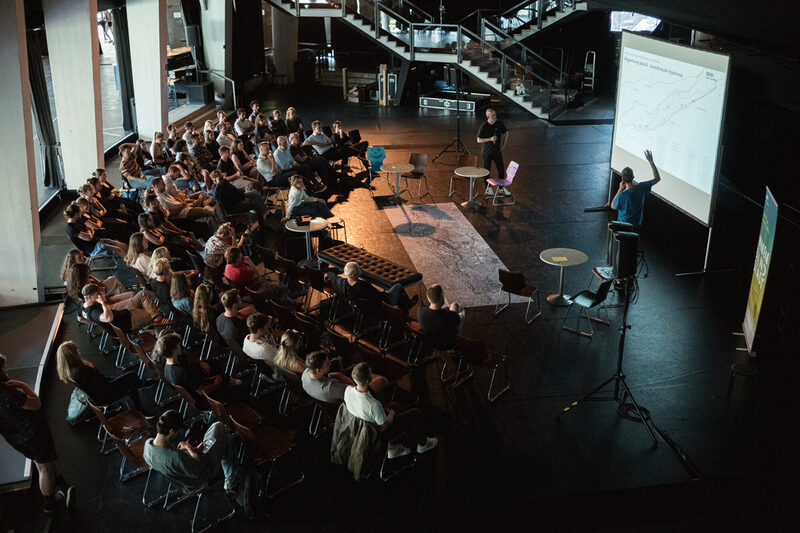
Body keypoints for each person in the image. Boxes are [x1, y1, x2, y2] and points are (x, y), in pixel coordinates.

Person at [0, 354, 74, 513]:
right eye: (3, 367)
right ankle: (50, 503)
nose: (5, 369)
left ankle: (63, 486)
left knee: (42, 461)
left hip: (16, 438)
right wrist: (23, 385)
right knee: (44, 468)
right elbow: (36, 403)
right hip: (33, 434)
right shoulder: (9, 393)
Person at [344, 362, 437, 457]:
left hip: (361, 425)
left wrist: (386, 410)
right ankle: (423, 445)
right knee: (416, 413)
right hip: (377, 434)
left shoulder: (348, 390)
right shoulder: (373, 404)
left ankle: (393, 444)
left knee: (395, 405)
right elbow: (384, 426)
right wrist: (392, 413)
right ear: (368, 380)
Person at [143, 409, 241, 493]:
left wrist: (192, 452)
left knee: (227, 439)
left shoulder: (148, 446)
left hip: (182, 479)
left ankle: (232, 479)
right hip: (201, 479)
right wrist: (190, 449)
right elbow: (200, 468)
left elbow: (174, 460)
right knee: (218, 427)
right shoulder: (175, 456)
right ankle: (231, 481)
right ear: (171, 431)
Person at [56, 341, 151, 412]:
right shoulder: (80, 370)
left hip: (99, 393)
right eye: (76, 349)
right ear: (72, 354)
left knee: (128, 377)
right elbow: (101, 380)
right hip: (104, 394)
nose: (79, 350)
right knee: (131, 376)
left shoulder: (71, 370)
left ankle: (139, 384)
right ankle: (139, 409)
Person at [157, 332, 246, 405]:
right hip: (204, 400)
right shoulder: (183, 372)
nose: (180, 346)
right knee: (241, 390)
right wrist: (216, 383)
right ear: (173, 350)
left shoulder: (166, 369)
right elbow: (201, 391)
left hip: (196, 392)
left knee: (214, 366)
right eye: (178, 345)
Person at [326, 261, 418, 312]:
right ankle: (406, 305)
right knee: (397, 286)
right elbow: (380, 296)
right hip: (383, 306)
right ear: (354, 275)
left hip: (364, 309)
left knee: (399, 294)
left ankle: (405, 307)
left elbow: (330, 274)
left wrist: (327, 275)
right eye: (358, 270)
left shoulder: (341, 283)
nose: (360, 271)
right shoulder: (364, 286)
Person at [81, 284, 174, 332]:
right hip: (127, 322)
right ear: (89, 297)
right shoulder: (93, 312)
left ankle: (156, 320)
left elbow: (79, 318)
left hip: (123, 313)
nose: (100, 296)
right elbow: (109, 318)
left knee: (143, 294)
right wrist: (103, 302)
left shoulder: (81, 304)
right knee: (152, 313)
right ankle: (158, 323)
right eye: (97, 295)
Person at [611, 149, 661, 228]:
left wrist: (619, 189)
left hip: (623, 227)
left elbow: (613, 206)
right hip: (636, 227)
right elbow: (657, 178)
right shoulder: (642, 187)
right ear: (633, 177)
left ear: (622, 179)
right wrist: (651, 162)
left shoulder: (622, 195)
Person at [417, 284, 464, 350]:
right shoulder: (450, 316)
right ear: (442, 297)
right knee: (461, 312)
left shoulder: (420, 310)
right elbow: (456, 320)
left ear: (428, 298)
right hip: (446, 344)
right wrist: (460, 315)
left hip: (428, 341)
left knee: (454, 305)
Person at [476, 108, 509, 195]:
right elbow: (478, 140)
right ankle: (488, 188)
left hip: (497, 152)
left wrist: (504, 144)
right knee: (487, 171)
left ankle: (501, 188)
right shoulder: (484, 126)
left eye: (495, 114)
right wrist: (490, 139)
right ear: (488, 116)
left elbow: (506, 132)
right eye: (493, 115)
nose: (495, 116)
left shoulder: (499, 123)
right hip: (487, 152)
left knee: (501, 169)